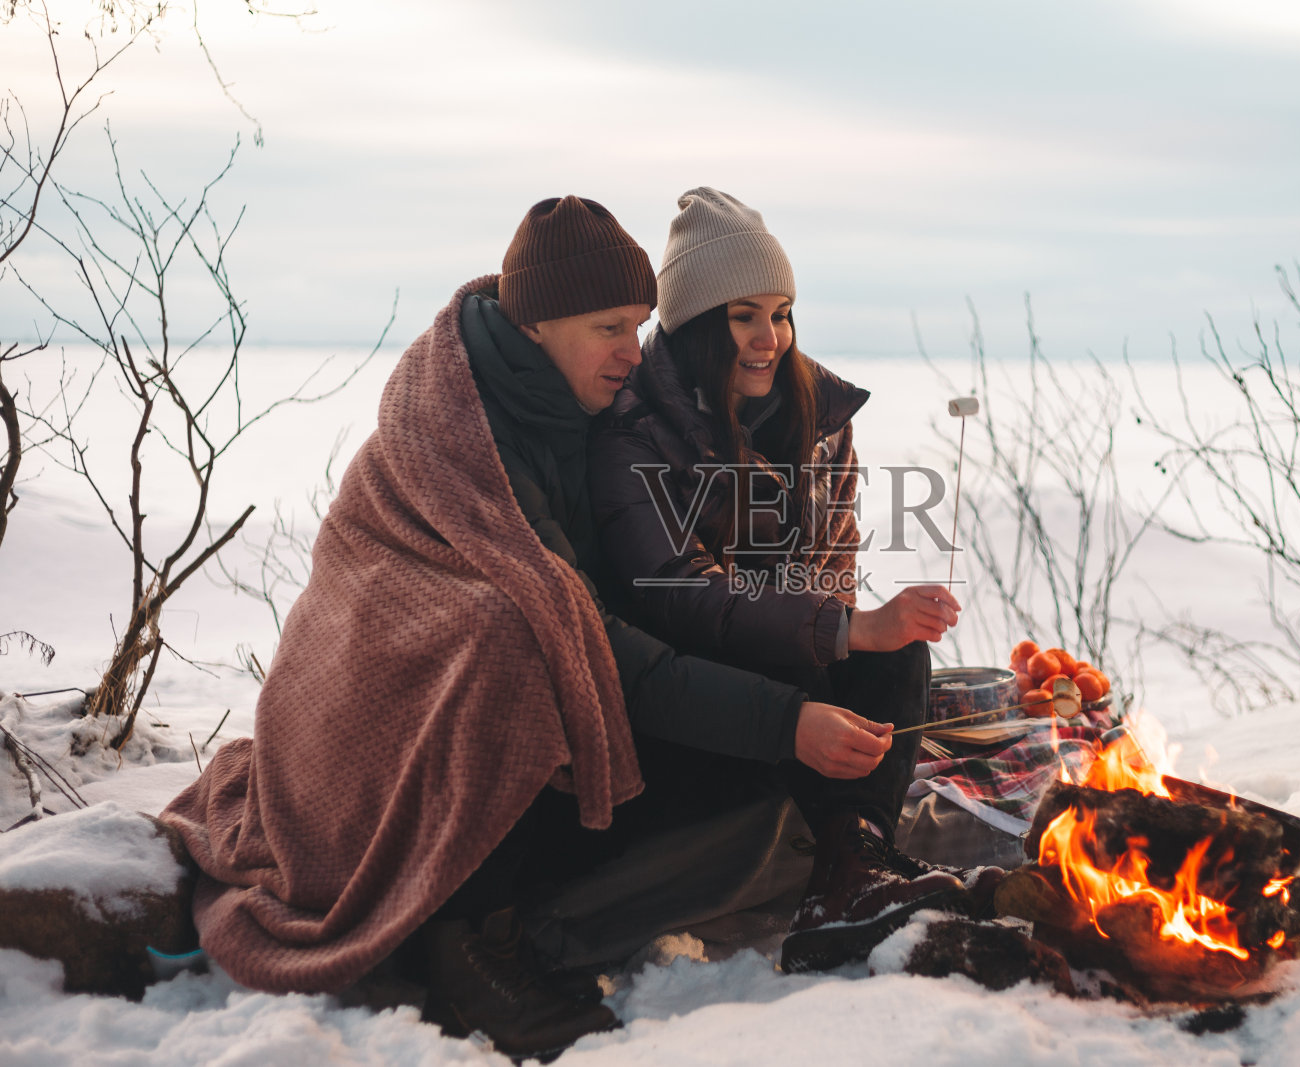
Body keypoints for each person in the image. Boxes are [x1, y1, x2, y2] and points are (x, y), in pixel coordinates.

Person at [161, 196, 960, 1060]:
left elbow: (655, 611)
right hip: (405, 728)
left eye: (640, 324)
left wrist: (834, 635)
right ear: (537, 324)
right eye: (609, 327)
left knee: (849, 681)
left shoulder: (576, 408)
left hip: (602, 697)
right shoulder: (468, 430)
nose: (632, 351)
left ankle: (852, 860)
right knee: (510, 638)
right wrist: (788, 706)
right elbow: (611, 630)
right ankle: (479, 936)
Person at [590, 187, 994, 975]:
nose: (768, 337)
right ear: (696, 322)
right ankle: (843, 857)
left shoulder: (821, 416)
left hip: (785, 659)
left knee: (898, 654)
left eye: (780, 313)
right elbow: (681, 593)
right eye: (744, 314)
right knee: (857, 643)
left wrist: (860, 625)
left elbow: (831, 567)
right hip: (689, 697)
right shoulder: (631, 430)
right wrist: (841, 629)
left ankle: (853, 862)